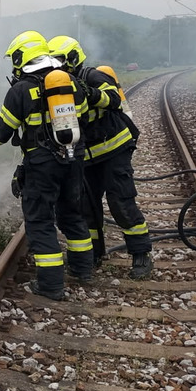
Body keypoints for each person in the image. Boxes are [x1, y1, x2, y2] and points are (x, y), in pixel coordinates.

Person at [0, 30, 94, 300]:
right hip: (74, 158)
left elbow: (2, 134)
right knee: (72, 213)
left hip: (42, 165)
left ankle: (51, 285)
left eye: (14, 59)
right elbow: (86, 118)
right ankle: (83, 270)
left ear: (22, 57)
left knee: (40, 220)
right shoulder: (71, 83)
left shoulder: (20, 90)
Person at [47, 35, 153, 280]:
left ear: (73, 58)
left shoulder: (93, 76)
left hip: (113, 150)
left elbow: (114, 99)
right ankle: (95, 254)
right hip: (85, 157)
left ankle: (141, 253)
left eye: (61, 61)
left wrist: (91, 94)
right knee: (87, 208)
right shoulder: (59, 86)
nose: (57, 67)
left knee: (120, 202)